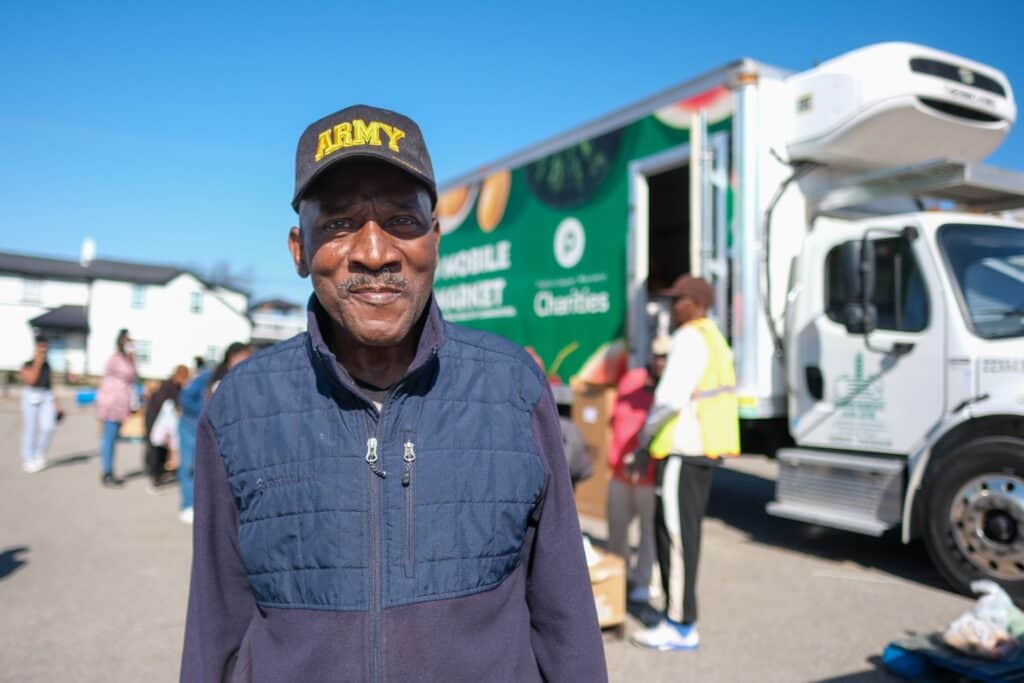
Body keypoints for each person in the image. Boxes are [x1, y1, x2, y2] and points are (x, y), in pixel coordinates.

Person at [180, 104, 606, 682]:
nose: (374, 253)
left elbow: (567, 623)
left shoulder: (512, 390)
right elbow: (214, 631)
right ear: (299, 250)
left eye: (402, 221)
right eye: (337, 223)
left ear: (435, 239)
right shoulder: (241, 408)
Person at [631, 275, 740, 652]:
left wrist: (644, 438)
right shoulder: (714, 337)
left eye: (678, 300)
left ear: (694, 303)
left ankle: (678, 623)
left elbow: (669, 397)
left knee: (674, 537)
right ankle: (680, 617)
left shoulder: (690, 338)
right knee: (686, 535)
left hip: (681, 449)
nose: (673, 306)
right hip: (702, 448)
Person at [606, 335, 670, 605]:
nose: (660, 361)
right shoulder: (632, 380)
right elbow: (614, 420)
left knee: (647, 532)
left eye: (666, 357)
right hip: (621, 471)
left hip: (648, 475)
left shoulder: (671, 390)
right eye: (657, 355)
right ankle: (618, 579)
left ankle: (643, 582)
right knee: (617, 530)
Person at [177, 343, 252, 524]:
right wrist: (204, 411)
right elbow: (186, 398)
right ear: (231, 358)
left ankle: (209, 507)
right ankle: (188, 505)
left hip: (221, 430)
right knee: (189, 465)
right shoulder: (208, 377)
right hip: (192, 424)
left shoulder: (246, 378)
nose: (246, 362)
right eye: (242, 358)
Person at [95, 329, 137, 487]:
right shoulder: (115, 359)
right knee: (109, 438)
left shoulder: (128, 359)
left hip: (121, 404)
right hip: (112, 403)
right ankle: (107, 471)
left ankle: (109, 469)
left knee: (113, 438)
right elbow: (126, 375)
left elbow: (133, 376)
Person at [144, 364, 190, 492]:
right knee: (155, 446)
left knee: (163, 447)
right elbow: (176, 404)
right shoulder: (169, 386)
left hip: (163, 421)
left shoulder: (175, 387)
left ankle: (160, 471)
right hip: (155, 417)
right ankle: (154, 474)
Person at [19, 335, 61, 473]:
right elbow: (32, 380)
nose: (44, 350)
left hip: (45, 396)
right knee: (30, 429)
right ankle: (28, 458)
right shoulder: (28, 364)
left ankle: (38, 454)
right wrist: (38, 360)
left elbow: (50, 385)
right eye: (41, 347)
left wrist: (57, 404)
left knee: (49, 426)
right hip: (30, 396)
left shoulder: (47, 366)